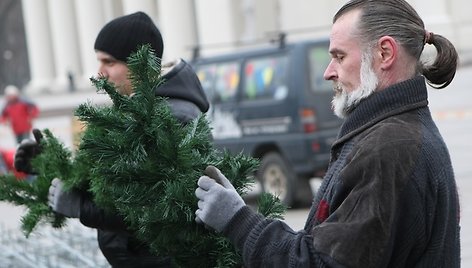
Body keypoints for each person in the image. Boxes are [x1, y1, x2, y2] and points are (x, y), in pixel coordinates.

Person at [194, 0, 460, 267]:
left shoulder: (388, 149)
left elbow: (322, 264)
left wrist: (238, 220)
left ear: (385, 53)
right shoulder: (394, 134)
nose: (328, 72)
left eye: (339, 56)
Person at [15, 11, 209, 268]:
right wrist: (49, 163)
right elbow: (108, 182)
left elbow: (158, 209)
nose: (99, 73)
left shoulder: (174, 118)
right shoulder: (132, 109)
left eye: (109, 62)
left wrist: (83, 209)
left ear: (140, 63)